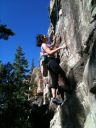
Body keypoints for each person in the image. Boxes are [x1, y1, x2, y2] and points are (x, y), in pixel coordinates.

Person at [36, 34, 69, 105]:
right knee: (61, 73)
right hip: (51, 61)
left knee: (54, 80)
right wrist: (61, 47)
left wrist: (54, 40)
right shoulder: (44, 44)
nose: (46, 36)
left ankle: (54, 98)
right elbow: (50, 52)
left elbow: (51, 46)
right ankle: (64, 87)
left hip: (48, 64)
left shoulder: (44, 45)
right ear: (42, 39)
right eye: (44, 36)